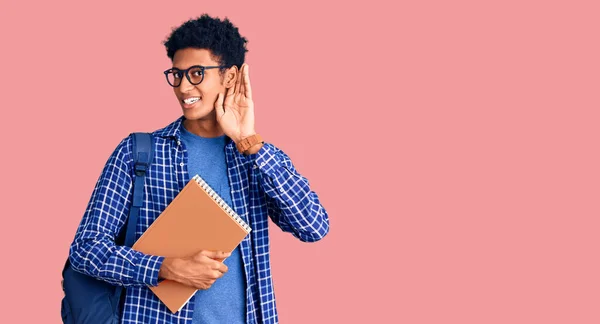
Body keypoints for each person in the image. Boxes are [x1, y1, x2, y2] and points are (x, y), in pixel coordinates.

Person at [68, 14, 329, 324]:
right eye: (176, 75)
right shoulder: (138, 153)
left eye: (196, 73)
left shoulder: (255, 156)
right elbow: (85, 249)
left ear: (229, 77)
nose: (182, 87)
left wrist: (250, 142)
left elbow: (314, 227)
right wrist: (163, 268)